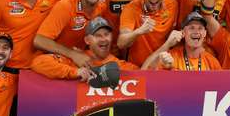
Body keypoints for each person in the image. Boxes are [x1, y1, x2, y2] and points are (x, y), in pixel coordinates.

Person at [34, 0, 118, 65]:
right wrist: (72, 54)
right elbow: (39, 40)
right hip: (55, 62)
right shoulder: (66, 6)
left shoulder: (102, 7)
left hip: (81, 60)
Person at [32, 17, 166, 78]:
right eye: (97, 35)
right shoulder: (78, 59)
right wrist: (75, 72)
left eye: (107, 34)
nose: (103, 39)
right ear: (87, 40)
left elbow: (145, 77)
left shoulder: (120, 65)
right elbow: (38, 63)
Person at [118, 0, 180, 67]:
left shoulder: (172, 5)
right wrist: (139, 31)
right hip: (136, 68)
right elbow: (121, 43)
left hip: (161, 66)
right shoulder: (131, 8)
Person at [155, 12, 222, 71]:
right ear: (183, 32)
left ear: (205, 33)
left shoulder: (212, 62)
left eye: (200, 28)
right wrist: (167, 69)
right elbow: (154, 80)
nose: (196, 32)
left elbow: (221, 85)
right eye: (191, 28)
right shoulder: (170, 57)